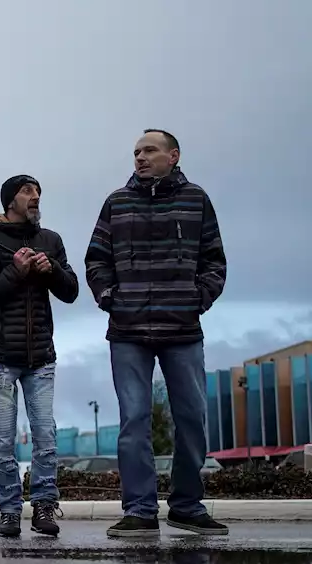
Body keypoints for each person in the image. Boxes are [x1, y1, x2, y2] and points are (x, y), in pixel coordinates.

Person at [84, 130, 228, 538]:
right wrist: (110, 296)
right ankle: (140, 510)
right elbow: (96, 259)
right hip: (127, 331)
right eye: (136, 152)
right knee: (133, 420)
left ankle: (186, 506)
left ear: (173, 155)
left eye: (149, 150)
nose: (141, 158)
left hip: (183, 329)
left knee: (193, 418)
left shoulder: (196, 200)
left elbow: (214, 259)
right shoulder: (117, 202)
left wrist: (198, 297)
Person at [0, 175, 80, 538]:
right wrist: (15, 271)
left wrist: (52, 272)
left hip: (41, 357)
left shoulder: (51, 241)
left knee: (45, 435)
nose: (35, 197)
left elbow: (72, 291)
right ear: (9, 201)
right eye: (27, 191)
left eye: (38, 192)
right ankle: (10, 510)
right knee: (2, 441)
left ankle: (44, 505)